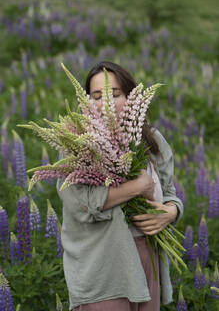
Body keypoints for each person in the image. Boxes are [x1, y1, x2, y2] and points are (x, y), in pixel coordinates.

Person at [56, 61, 184, 311]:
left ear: (131, 98)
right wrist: (138, 186)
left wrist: (171, 212)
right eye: (96, 96)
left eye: (114, 94)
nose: (105, 103)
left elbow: (170, 194)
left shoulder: (152, 140)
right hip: (102, 268)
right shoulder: (77, 146)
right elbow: (78, 204)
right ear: (86, 105)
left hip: (149, 258)